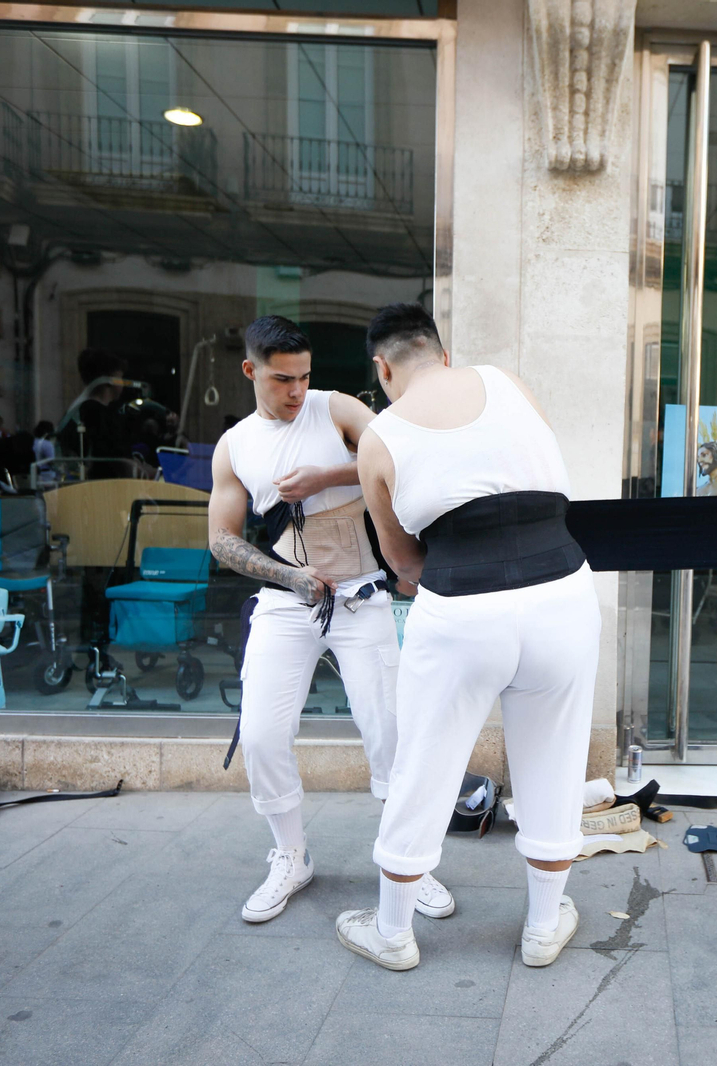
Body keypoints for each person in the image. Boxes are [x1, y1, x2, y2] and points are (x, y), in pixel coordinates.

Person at [335, 303, 600, 972]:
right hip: (561, 590)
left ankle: (393, 933)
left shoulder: (380, 436)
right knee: (555, 758)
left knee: (422, 763)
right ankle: (543, 926)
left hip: (458, 604)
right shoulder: (509, 383)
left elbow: (402, 564)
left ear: (383, 367)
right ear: (443, 354)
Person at [207, 315, 454, 925]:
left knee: (391, 734)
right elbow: (221, 540)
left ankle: (410, 862)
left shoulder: (334, 408)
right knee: (262, 735)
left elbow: (403, 452)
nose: (296, 390)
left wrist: (330, 473)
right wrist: (288, 577)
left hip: (362, 595)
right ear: (251, 371)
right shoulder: (235, 444)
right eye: (283, 379)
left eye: (304, 376)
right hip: (288, 600)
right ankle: (290, 854)